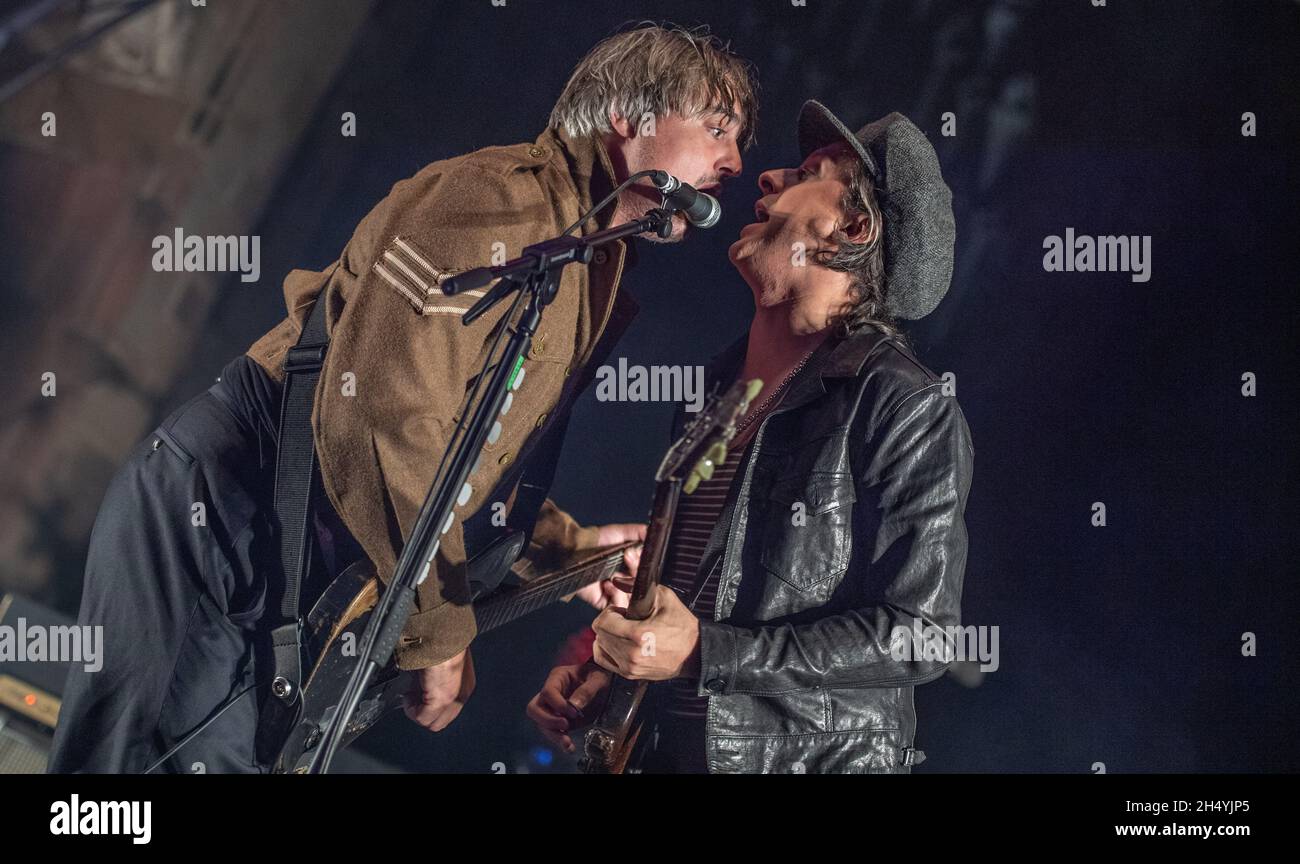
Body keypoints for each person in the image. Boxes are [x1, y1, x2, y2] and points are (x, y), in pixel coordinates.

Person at [49, 23, 757, 774]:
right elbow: (385, 421)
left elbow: (463, 457)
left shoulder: (587, 263)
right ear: (630, 119)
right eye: (716, 129)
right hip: (231, 516)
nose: (735, 162)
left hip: (289, 553)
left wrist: (564, 549)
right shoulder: (496, 202)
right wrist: (439, 632)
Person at [528, 101, 974, 773]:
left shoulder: (903, 404)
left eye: (809, 173)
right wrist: (616, 675)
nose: (767, 179)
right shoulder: (718, 385)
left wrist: (707, 653)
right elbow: (695, 594)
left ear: (853, 227)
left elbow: (925, 635)